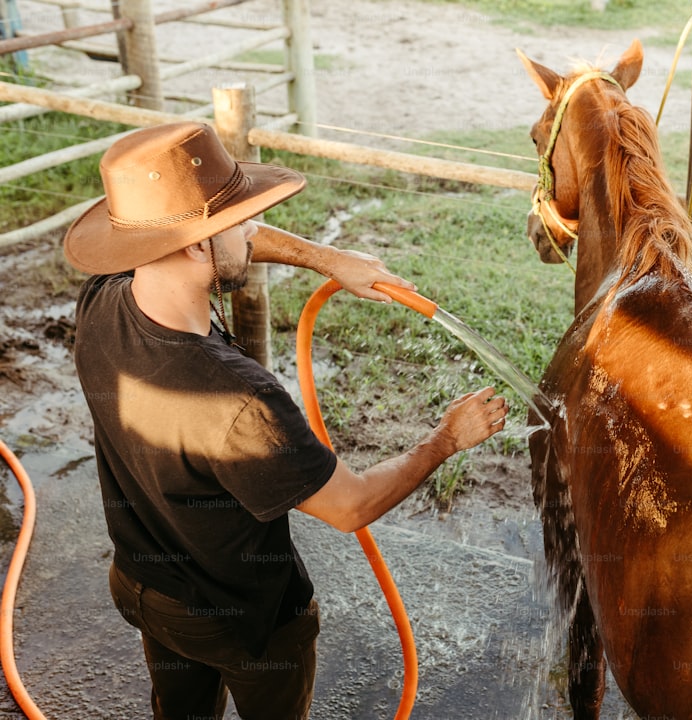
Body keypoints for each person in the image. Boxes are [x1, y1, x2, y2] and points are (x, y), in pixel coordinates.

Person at [64, 121, 508, 720]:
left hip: (147, 592)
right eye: (243, 223)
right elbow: (349, 507)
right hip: (246, 624)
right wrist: (447, 438)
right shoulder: (239, 400)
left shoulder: (100, 301)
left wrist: (326, 259)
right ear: (198, 245)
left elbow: (213, 244)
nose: (255, 231)